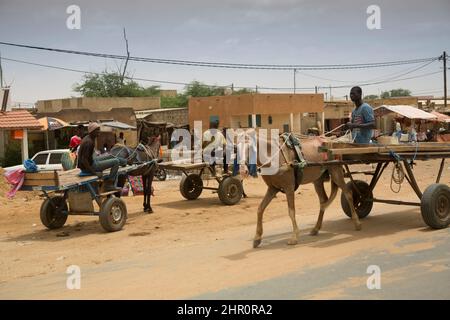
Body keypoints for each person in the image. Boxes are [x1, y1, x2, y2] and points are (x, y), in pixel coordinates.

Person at [77, 122, 122, 192]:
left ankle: (125, 161)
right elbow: (84, 160)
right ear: (92, 131)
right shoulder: (89, 142)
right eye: (97, 130)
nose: (99, 132)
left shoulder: (88, 138)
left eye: (99, 130)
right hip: (90, 166)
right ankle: (109, 185)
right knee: (116, 161)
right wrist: (94, 172)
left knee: (110, 155)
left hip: (92, 161)